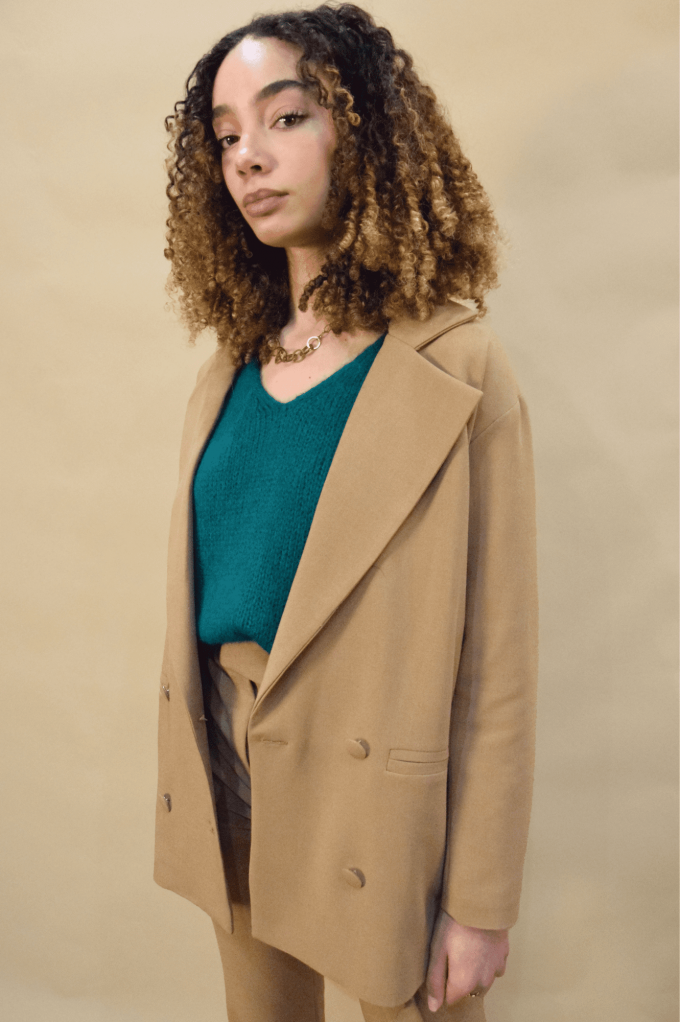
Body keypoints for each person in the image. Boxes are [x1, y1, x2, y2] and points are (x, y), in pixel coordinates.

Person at [154, 4, 538, 1021]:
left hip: (380, 788)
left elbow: (498, 662)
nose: (249, 156)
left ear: (361, 130)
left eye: (285, 117)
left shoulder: (457, 366)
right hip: (234, 764)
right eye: (226, 136)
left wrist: (481, 901)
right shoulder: (226, 369)